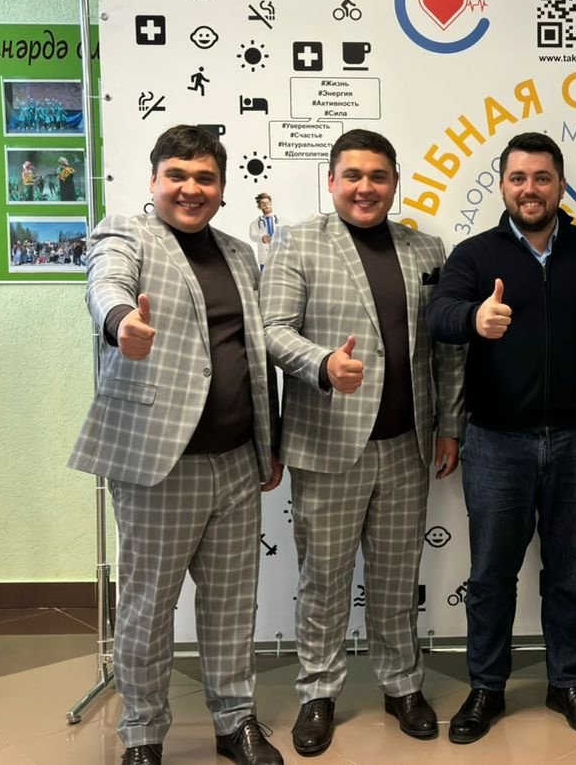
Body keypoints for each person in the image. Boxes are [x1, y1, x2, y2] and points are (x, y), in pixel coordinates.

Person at [66, 124, 284, 765]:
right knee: (147, 607)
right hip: (161, 464)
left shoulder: (239, 253)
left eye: (205, 178)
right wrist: (120, 322)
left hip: (238, 461)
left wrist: (267, 440)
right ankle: (142, 733)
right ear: (154, 180)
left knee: (231, 605)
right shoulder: (126, 234)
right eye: (177, 176)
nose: (191, 189)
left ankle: (235, 721)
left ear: (222, 187)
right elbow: (105, 284)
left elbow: (252, 351)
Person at [261, 128, 466, 755]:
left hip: (408, 443)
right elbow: (271, 329)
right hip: (328, 444)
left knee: (397, 577)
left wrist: (450, 425)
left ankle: (402, 684)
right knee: (324, 579)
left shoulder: (426, 247)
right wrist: (322, 363)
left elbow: (447, 348)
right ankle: (318, 692)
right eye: (352, 175)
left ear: (395, 182)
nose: (365, 187)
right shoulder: (297, 242)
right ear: (331, 181)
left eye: (378, 176)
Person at [426, 132, 576, 743]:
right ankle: (486, 686)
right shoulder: (475, 254)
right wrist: (474, 318)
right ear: (503, 186)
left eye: (542, 178)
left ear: (560, 185)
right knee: (491, 574)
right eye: (518, 178)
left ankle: (568, 682)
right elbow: (439, 315)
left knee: (571, 572)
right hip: (495, 441)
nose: (530, 189)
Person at [248, 193, 280, 269]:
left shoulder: (280, 220)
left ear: (271, 204)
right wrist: (262, 238)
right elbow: (252, 237)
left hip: (279, 256)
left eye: (268, 203)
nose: (266, 205)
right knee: (265, 275)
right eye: (263, 204)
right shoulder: (254, 223)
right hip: (264, 258)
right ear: (259, 207)